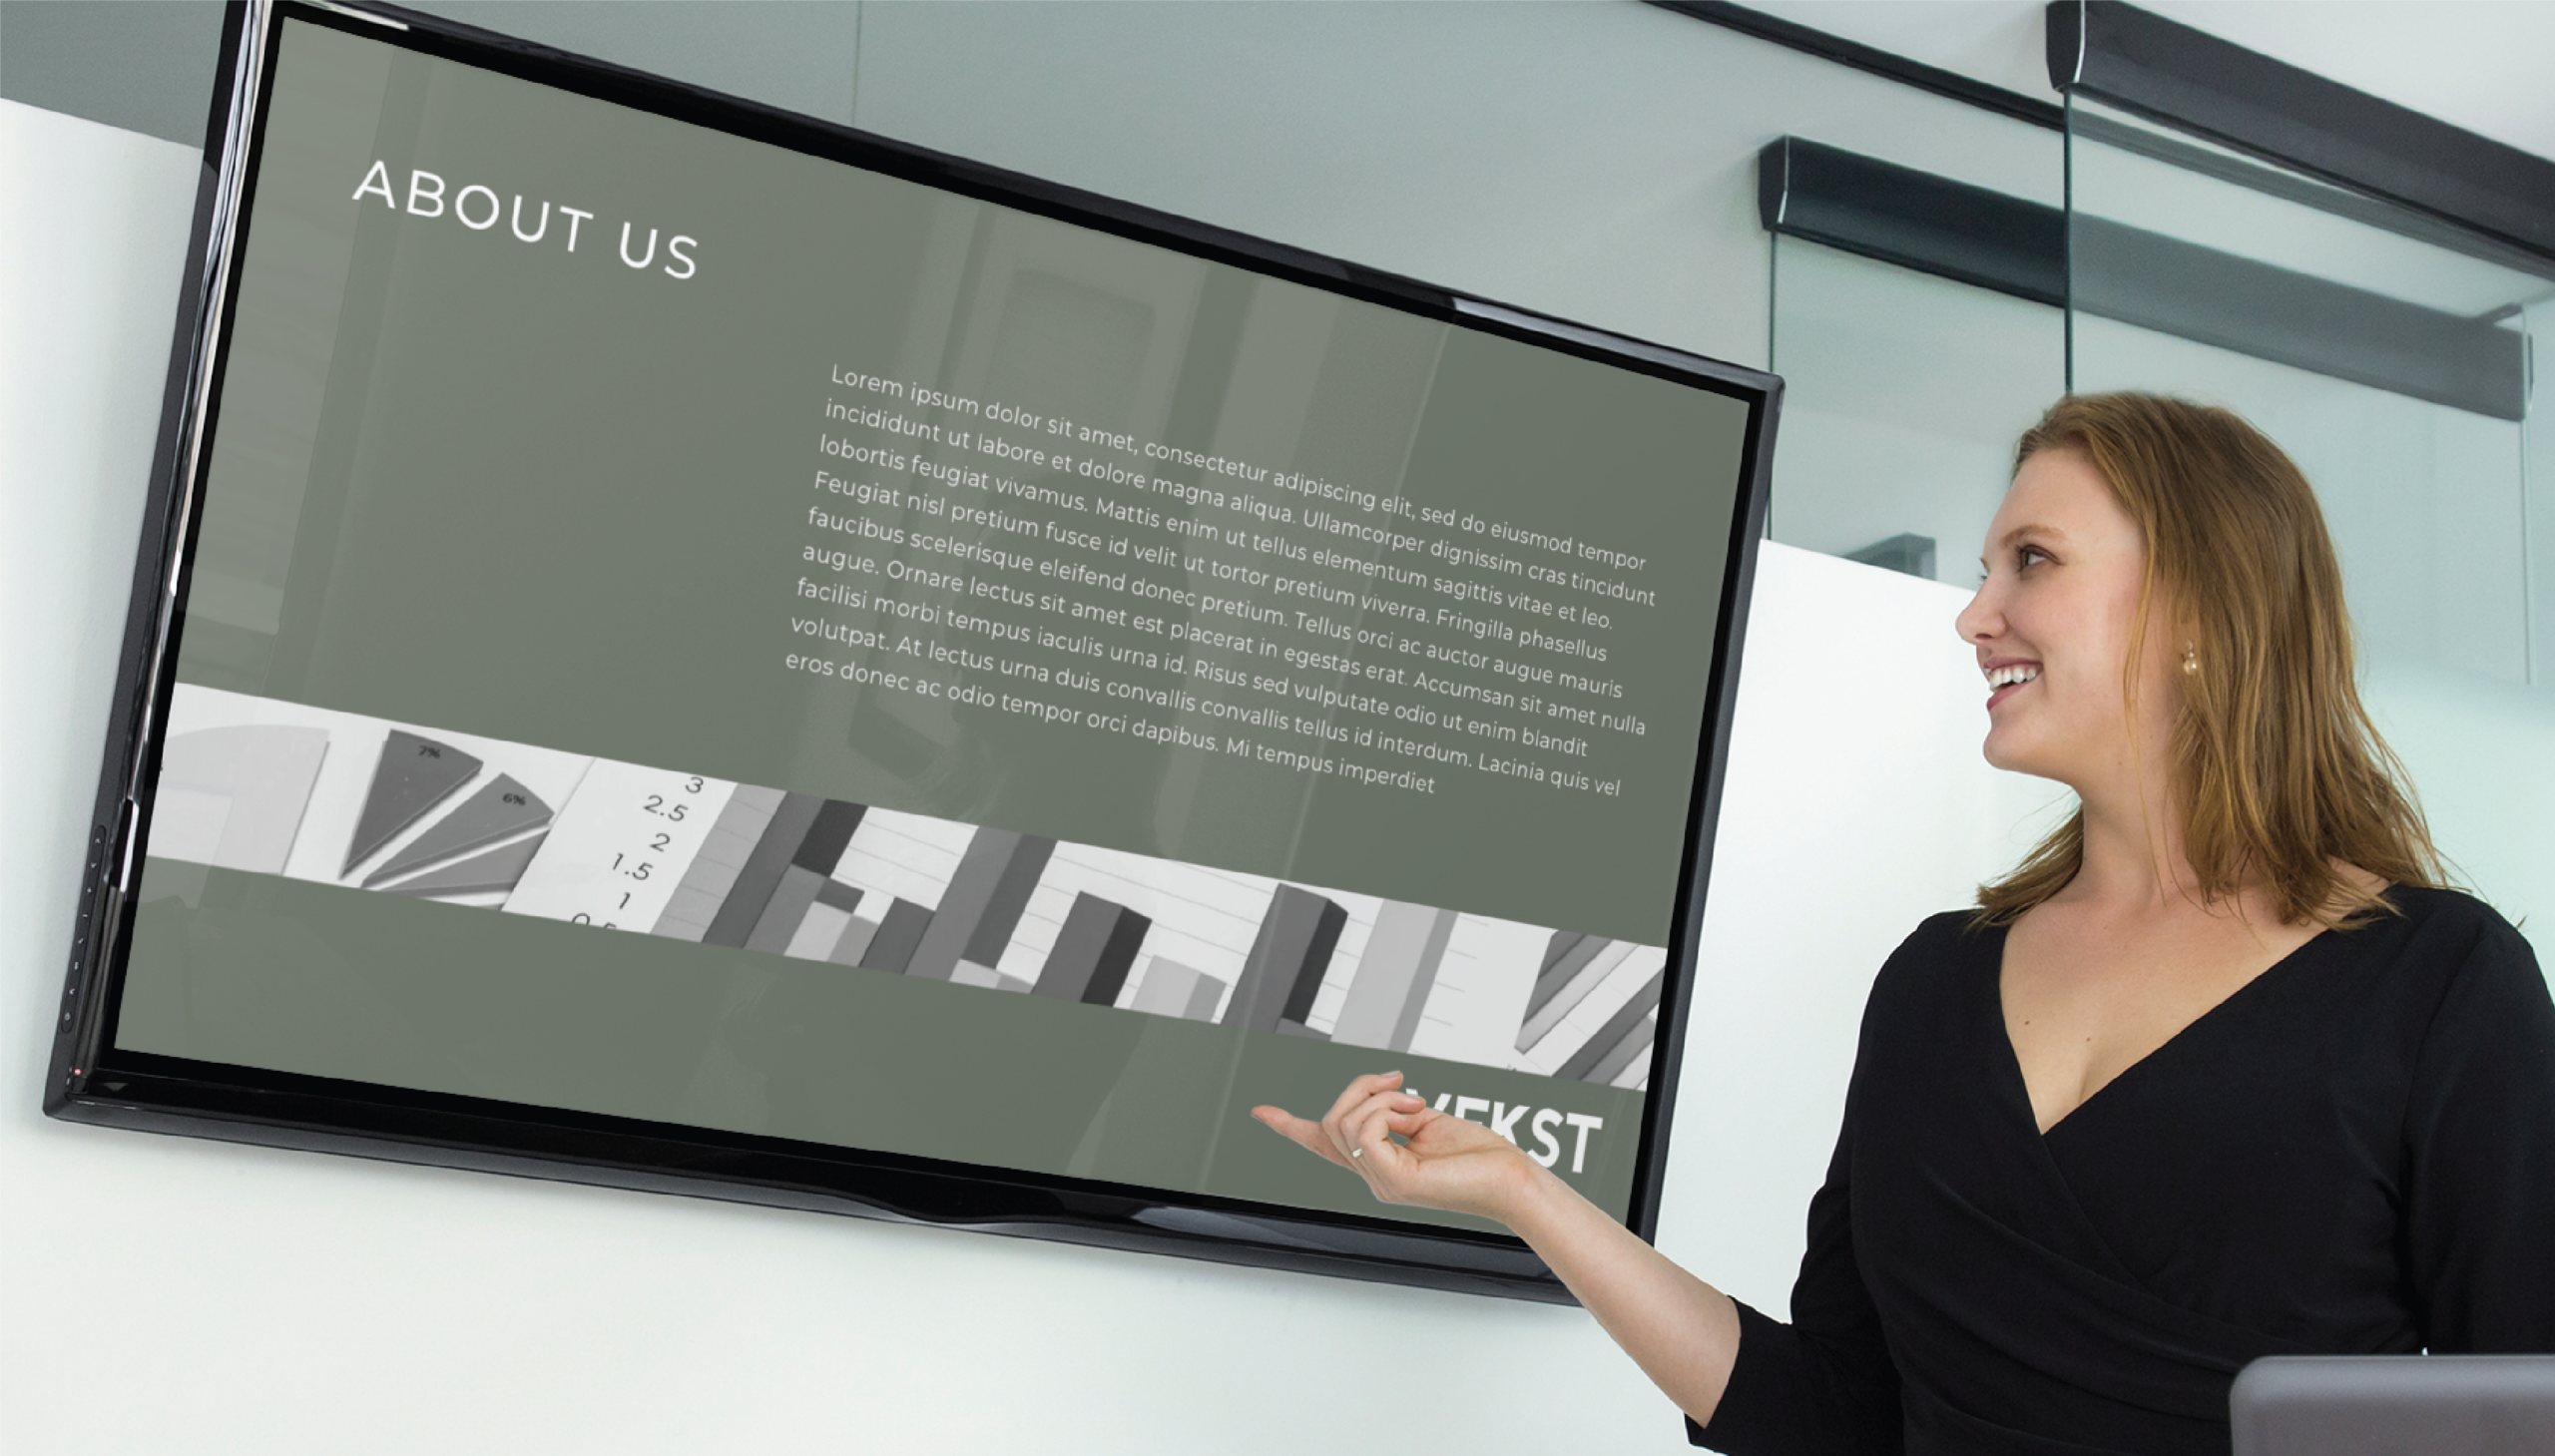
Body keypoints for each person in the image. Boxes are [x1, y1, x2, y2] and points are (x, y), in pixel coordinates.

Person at [1254, 393, 2555, 1455]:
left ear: (2202, 615)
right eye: (1987, 566)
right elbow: (1832, 1411)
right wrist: (1527, 1195)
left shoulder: (2442, 987)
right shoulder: (1934, 986)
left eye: (2030, 562)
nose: (1974, 613)